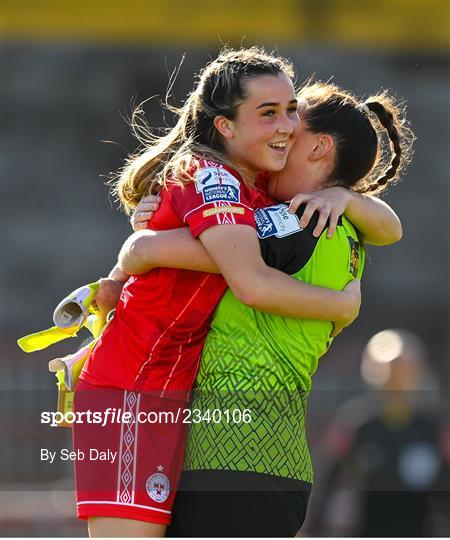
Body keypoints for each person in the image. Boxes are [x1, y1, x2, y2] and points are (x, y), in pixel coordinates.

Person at [72, 49, 361, 538]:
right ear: (225, 127)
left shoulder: (258, 185)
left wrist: (346, 196)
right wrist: (342, 307)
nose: (287, 124)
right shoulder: (212, 178)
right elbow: (250, 281)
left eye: (291, 109)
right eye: (267, 113)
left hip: (175, 394)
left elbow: (387, 226)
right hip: (132, 390)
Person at [123, 80, 414, 537]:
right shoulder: (345, 229)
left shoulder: (295, 223)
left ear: (319, 147)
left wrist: (146, 236)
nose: (277, 139)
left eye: (291, 131)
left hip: (230, 464)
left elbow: (152, 251)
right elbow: (391, 227)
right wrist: (349, 198)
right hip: (273, 467)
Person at [304, 329, 450, 537]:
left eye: (405, 368)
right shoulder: (356, 424)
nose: (397, 377)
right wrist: (314, 530)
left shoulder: (436, 429)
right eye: (390, 368)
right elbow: (328, 480)